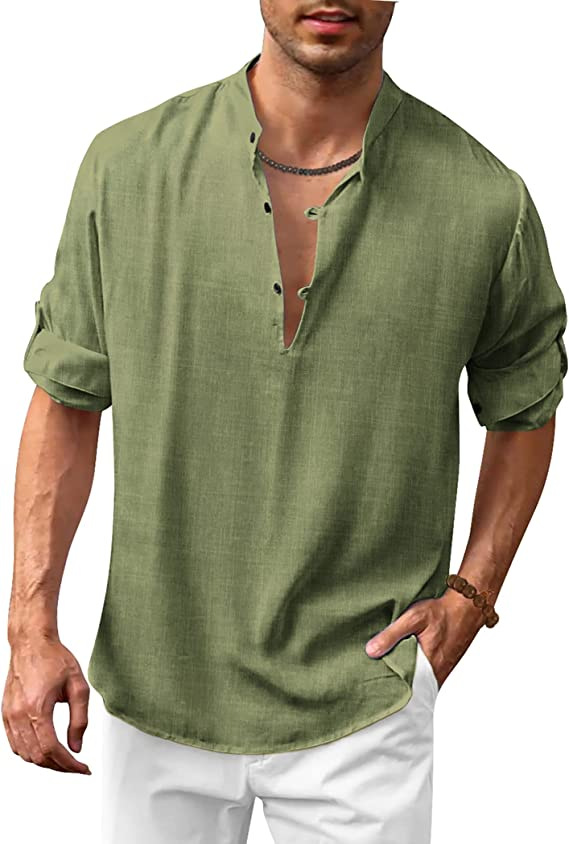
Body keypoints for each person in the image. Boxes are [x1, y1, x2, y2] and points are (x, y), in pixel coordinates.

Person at [3, 1, 567, 842]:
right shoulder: (127, 168)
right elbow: (66, 396)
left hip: (366, 694)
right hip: (155, 688)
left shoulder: (485, 199)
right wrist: (30, 629)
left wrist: (468, 597)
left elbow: (524, 404)